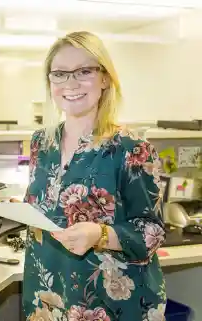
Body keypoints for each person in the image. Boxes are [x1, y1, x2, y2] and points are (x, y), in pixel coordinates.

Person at [22, 31, 166, 321]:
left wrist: (99, 234)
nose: (70, 84)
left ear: (104, 78)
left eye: (84, 71)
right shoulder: (41, 142)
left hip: (109, 305)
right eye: (59, 74)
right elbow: (45, 204)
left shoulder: (132, 149)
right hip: (47, 297)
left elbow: (152, 232)